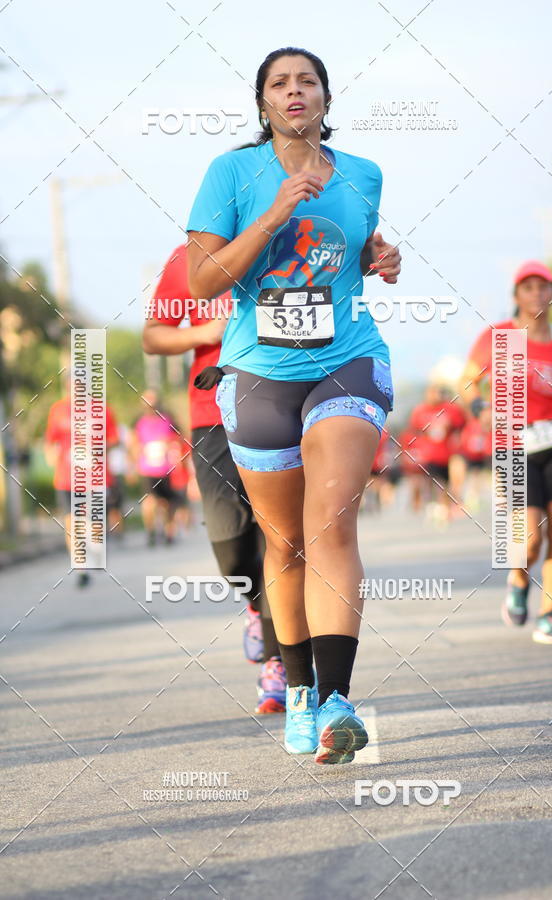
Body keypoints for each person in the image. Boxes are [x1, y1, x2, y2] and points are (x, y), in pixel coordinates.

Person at [186, 46, 401, 763]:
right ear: (264, 104)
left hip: (347, 359)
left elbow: (351, 250)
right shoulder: (231, 174)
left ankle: (340, 702)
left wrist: (380, 257)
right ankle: (302, 692)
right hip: (258, 372)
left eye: (307, 80)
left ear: (326, 100)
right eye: (280, 83)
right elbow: (204, 281)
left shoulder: (364, 174)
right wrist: (273, 210)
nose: (295, 91)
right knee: (284, 542)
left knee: (331, 521)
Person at [142, 245, 285, 714]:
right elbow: (154, 336)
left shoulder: (284, 243)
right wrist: (204, 331)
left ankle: (278, 662)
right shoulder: (189, 259)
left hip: (281, 400)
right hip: (211, 412)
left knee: (279, 535)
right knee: (231, 550)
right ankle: (254, 606)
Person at [461, 261, 552, 644]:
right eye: (528, 287)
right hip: (512, 444)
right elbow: (467, 381)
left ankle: (550, 615)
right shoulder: (499, 336)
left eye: (543, 286)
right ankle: (519, 578)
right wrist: (480, 408)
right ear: (516, 295)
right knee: (528, 538)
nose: (536, 293)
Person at [45, 379, 119, 586]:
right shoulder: (58, 410)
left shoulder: (102, 409)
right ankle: (80, 567)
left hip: (96, 475)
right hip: (67, 477)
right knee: (72, 520)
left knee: (94, 523)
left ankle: (96, 550)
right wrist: (51, 455)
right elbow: (50, 439)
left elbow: (114, 439)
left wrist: (97, 451)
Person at [407, 384, 466, 524]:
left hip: (447, 453)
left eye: (437, 393)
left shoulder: (450, 409)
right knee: (433, 481)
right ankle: (435, 506)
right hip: (429, 454)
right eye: (431, 393)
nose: (435, 396)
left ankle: (445, 507)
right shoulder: (420, 411)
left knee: (446, 483)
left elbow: (461, 425)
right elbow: (414, 430)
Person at [129, 390, 179, 546]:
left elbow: (178, 439)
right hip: (147, 469)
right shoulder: (138, 422)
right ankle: (150, 531)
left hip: (166, 468)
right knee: (149, 501)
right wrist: (134, 462)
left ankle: (168, 532)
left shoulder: (168, 419)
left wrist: (169, 445)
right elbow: (133, 444)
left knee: (166, 503)